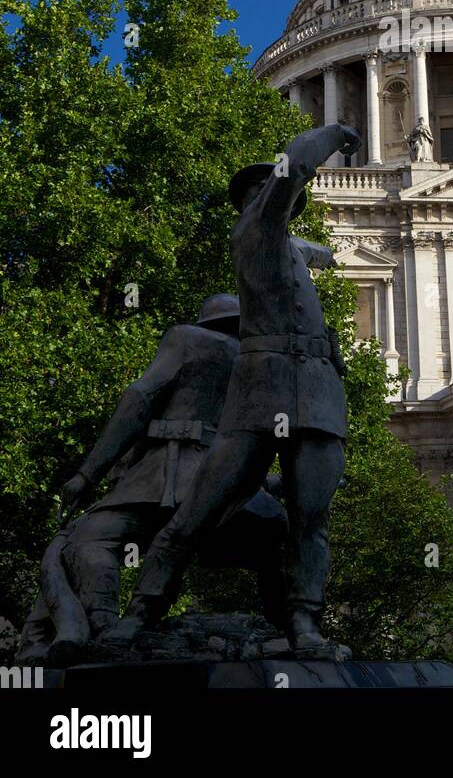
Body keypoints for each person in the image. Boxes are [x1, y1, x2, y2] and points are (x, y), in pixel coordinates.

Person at [104, 122, 361, 661]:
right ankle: (138, 615)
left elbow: (311, 250)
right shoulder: (254, 231)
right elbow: (296, 163)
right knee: (198, 510)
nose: (273, 194)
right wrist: (336, 133)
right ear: (252, 200)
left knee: (311, 520)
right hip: (262, 388)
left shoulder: (287, 246)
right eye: (263, 189)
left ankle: (304, 624)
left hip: (317, 391)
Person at [16, 294, 288, 668]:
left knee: (89, 540)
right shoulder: (265, 364)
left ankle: (102, 628)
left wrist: (87, 474)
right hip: (234, 493)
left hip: (170, 477)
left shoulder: (188, 338)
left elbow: (140, 397)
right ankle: (295, 630)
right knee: (275, 546)